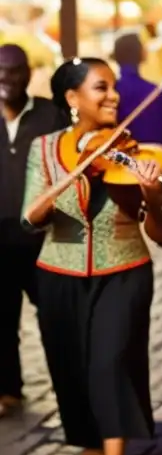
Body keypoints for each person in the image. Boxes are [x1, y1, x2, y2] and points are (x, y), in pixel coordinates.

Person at [22, 57, 162, 455]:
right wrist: (62, 185)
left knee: (111, 362)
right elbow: (30, 218)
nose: (113, 97)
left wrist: (154, 197)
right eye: (100, 88)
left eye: (113, 89)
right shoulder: (46, 150)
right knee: (69, 365)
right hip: (57, 273)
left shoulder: (137, 153)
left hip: (124, 270)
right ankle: (88, 438)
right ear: (72, 99)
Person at [0, 43, 63, 416]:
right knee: (2, 320)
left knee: (53, 317)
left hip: (41, 237)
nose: (6, 78)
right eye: (0, 70)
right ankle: (8, 390)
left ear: (28, 72)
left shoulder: (49, 115)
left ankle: (66, 386)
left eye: (14, 70)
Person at [112, 31, 162, 160]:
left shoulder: (110, 92)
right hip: (153, 170)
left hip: (117, 171)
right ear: (141, 54)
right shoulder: (157, 93)